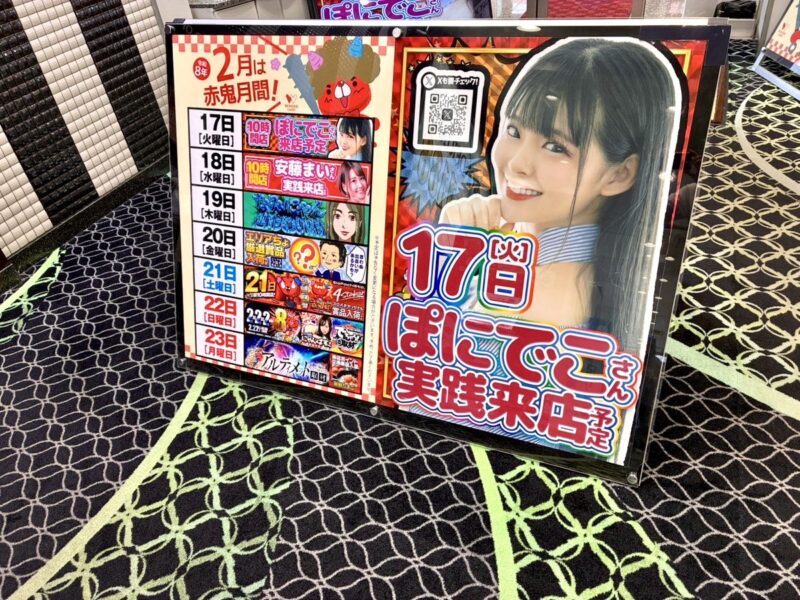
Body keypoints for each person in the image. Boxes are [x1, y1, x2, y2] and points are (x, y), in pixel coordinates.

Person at [439, 38, 681, 354]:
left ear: (619, 174)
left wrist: (451, 260)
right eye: (514, 131)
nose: (517, 164)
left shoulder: (548, 294)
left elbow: (436, 366)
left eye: (555, 147)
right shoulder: (536, 255)